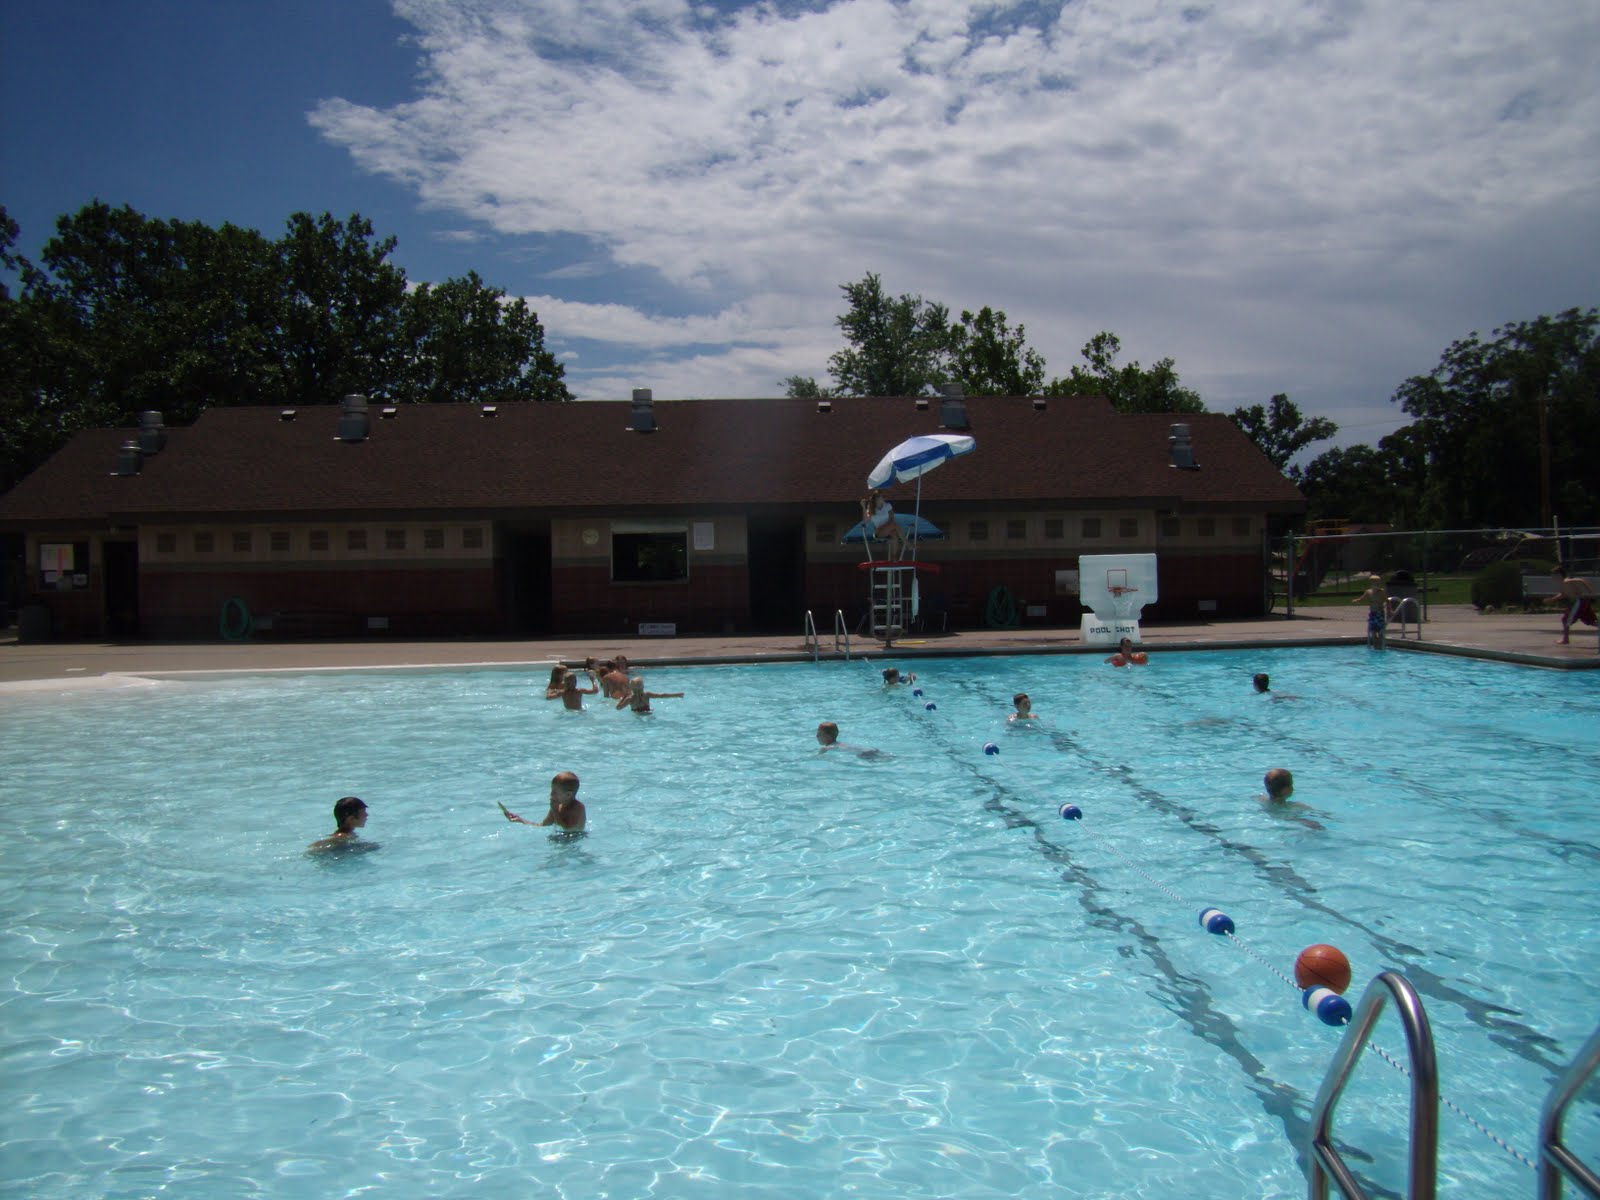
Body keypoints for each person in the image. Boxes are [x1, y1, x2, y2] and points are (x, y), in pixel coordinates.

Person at [501, 771, 586, 832]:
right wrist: (520, 820)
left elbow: (568, 829)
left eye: (555, 792)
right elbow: (542, 826)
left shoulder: (578, 808)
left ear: (568, 795)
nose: (551, 795)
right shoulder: (556, 807)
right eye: (551, 791)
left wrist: (555, 811)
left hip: (575, 840)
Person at [1257, 768, 1324, 830]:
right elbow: (1315, 813)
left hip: (1272, 820)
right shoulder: (1295, 806)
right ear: (1285, 790)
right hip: (1288, 818)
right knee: (1316, 826)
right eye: (1291, 785)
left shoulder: (1261, 799)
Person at [1546, 565, 1597, 645]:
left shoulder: (1566, 581)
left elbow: (1580, 580)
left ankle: (1566, 640)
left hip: (1579, 603)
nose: (1552, 577)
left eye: (1554, 575)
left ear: (1559, 575)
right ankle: (1565, 639)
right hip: (1583, 603)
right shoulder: (1563, 583)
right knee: (1590, 621)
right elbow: (1563, 594)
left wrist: (1589, 589)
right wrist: (1551, 600)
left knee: (1565, 620)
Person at [307, 795, 373, 853]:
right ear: (351, 819)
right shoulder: (343, 836)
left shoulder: (348, 834)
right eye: (363, 813)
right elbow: (319, 846)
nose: (367, 815)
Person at [862, 489, 907, 558]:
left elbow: (892, 519)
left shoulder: (888, 506)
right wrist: (864, 507)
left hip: (888, 529)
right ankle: (907, 544)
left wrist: (887, 527)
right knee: (894, 525)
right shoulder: (871, 509)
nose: (883, 498)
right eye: (881, 496)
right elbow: (865, 521)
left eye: (883, 496)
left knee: (894, 534)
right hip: (879, 532)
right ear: (876, 499)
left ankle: (893, 558)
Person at [816, 720, 887, 758]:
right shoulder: (840, 744)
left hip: (863, 754)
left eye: (819, 734)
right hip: (869, 750)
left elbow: (818, 756)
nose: (816, 736)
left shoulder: (827, 747)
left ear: (827, 737)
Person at [1353, 573, 1387, 649]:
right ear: (1372, 583)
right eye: (1375, 582)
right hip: (1373, 613)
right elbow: (1362, 598)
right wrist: (1357, 600)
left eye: (1378, 583)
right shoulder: (1369, 592)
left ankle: (1381, 646)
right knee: (1373, 631)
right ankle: (1376, 647)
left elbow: (1387, 601)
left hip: (1380, 613)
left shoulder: (1381, 592)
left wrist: (1390, 610)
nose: (1376, 584)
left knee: (1380, 631)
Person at [617, 676, 684, 713]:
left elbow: (618, 708)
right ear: (643, 686)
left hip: (637, 715)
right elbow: (662, 695)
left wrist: (623, 697)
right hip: (648, 712)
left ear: (631, 688)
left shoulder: (630, 698)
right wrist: (676, 695)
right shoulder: (647, 694)